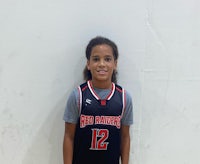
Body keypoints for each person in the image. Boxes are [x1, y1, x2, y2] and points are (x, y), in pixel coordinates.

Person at [63, 36, 133, 164]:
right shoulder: (78, 96)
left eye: (107, 59)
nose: (101, 64)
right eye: (96, 59)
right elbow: (69, 136)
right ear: (88, 64)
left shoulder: (123, 98)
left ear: (115, 64)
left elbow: (125, 137)